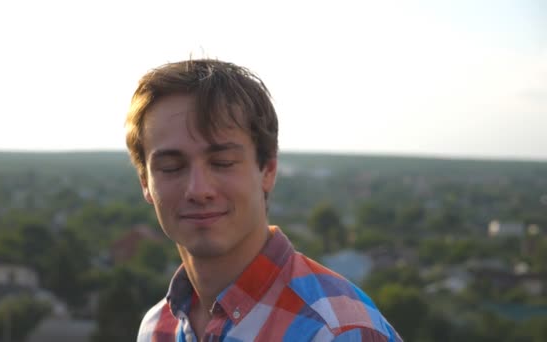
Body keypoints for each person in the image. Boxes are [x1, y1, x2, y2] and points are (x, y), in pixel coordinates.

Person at [125, 59, 402, 341]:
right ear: (146, 182)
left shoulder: (337, 332)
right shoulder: (157, 328)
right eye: (171, 167)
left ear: (267, 170)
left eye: (222, 162)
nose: (198, 189)